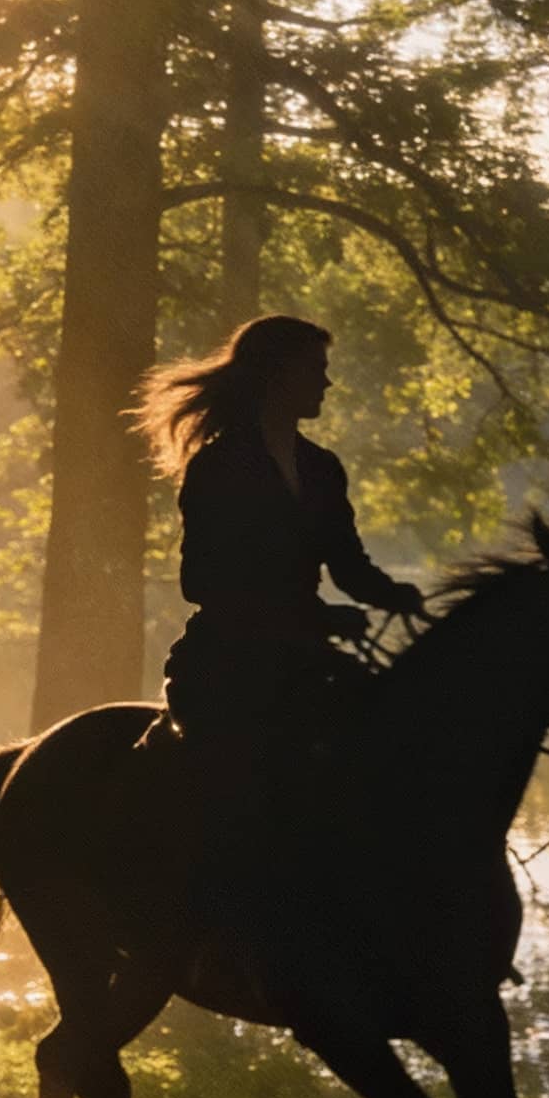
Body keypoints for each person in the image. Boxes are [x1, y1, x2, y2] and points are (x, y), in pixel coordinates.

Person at [134, 315, 427, 872]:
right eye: (316, 369)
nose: (327, 382)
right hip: (229, 658)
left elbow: (349, 566)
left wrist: (398, 596)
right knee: (238, 784)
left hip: (303, 655)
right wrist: (318, 617)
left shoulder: (322, 468)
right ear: (277, 374)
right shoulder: (219, 465)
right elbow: (204, 581)